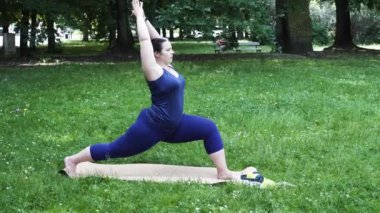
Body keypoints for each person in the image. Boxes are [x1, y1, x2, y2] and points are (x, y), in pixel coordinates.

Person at [63, 0, 243, 180]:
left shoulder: (168, 66)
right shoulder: (153, 70)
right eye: (168, 50)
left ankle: (223, 172)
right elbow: (145, 41)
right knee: (114, 150)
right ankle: (72, 160)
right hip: (153, 126)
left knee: (209, 128)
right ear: (157, 54)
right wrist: (139, 19)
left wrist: (144, 17)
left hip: (175, 124)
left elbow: (157, 40)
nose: (172, 52)